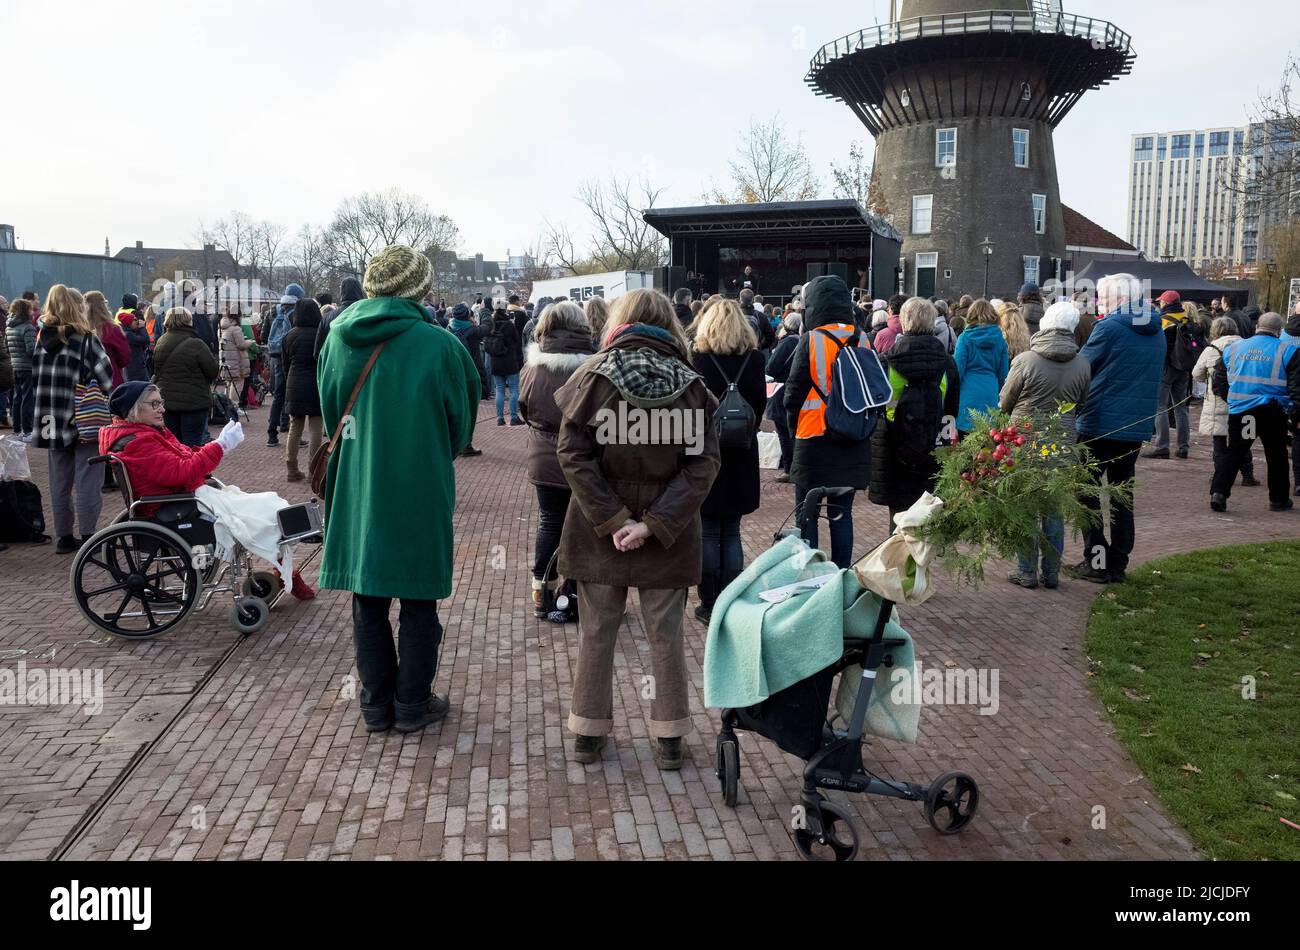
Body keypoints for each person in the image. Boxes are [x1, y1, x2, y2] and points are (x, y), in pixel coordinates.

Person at [553, 289, 721, 770]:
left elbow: (574, 455)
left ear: (619, 321)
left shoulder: (592, 378)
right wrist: (652, 524)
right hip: (667, 535)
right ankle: (669, 737)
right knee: (666, 637)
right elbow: (703, 466)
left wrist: (614, 519)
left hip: (598, 531)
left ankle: (588, 731)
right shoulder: (690, 384)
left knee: (597, 633)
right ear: (669, 322)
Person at [318, 244, 480, 735]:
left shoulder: (338, 340)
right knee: (419, 597)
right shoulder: (441, 345)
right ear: (420, 290)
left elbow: (331, 414)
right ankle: (412, 702)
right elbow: (462, 424)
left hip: (358, 483)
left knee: (367, 596)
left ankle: (375, 705)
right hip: (419, 483)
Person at [1069, 274, 1165, 585]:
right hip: (1136, 425)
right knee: (1122, 495)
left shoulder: (1109, 327)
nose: (1099, 303)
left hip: (1100, 423)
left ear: (1120, 299)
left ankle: (1096, 562)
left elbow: (1082, 368)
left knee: (1087, 494)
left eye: (1103, 297)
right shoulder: (1157, 329)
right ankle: (1118, 564)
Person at [784, 276, 879, 569]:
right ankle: (840, 575)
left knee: (807, 513)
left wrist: (792, 434)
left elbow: (792, 396)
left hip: (813, 438)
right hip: (852, 438)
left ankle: (812, 575)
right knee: (842, 515)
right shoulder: (863, 338)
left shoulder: (810, 339)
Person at [1001, 302, 1093, 590]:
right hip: (1061, 443)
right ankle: (1051, 572)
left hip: (1024, 442)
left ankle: (1026, 571)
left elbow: (1005, 402)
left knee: (1026, 507)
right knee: (1053, 509)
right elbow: (1082, 402)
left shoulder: (1026, 361)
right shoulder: (1082, 363)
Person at [518, 302, 596, 618]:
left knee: (550, 522)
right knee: (585, 528)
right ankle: (575, 594)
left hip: (544, 457)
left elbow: (524, 409)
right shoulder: (593, 367)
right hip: (585, 459)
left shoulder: (532, 369)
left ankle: (543, 593)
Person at [692, 298, 767, 622]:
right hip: (742, 452)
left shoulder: (697, 360)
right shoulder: (755, 360)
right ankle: (730, 598)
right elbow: (760, 407)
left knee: (708, 530)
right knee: (732, 530)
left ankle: (709, 601)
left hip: (705, 452)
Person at [32, 285, 114, 554]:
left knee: (59, 481)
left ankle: (64, 536)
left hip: (50, 417)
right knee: (88, 479)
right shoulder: (86, 339)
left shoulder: (41, 340)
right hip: (83, 416)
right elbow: (106, 378)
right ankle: (89, 535)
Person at [869, 297, 961, 527]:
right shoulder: (947, 363)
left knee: (898, 518)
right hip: (933, 446)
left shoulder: (887, 362)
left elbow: (879, 407)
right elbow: (951, 409)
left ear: (903, 321)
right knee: (930, 515)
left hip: (895, 447)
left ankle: (898, 559)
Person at [1210, 313, 1300, 513]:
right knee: (1276, 454)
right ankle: (1278, 499)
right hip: (1272, 411)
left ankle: (1219, 493)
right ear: (1279, 330)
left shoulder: (1233, 348)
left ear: (1257, 327)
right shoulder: (1289, 350)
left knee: (1235, 450)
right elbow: (1296, 388)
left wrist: (1232, 399)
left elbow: (1219, 380)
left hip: (1243, 411)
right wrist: (1296, 414)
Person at [1194, 317, 1259, 495]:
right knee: (1245, 440)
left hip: (1217, 402)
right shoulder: (1247, 345)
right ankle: (1248, 475)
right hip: (1245, 401)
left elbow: (1196, 373)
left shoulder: (1211, 349)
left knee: (1219, 441)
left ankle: (1219, 476)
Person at [152, 307, 220, 448]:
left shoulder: (161, 342)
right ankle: (192, 470)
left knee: (173, 444)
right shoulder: (196, 344)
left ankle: (177, 470)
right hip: (194, 402)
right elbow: (213, 371)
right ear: (188, 321)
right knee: (192, 444)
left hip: (168, 401)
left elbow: (155, 369)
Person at [1146, 291, 1195, 460]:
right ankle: (1183, 447)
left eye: (1161, 302)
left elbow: (1157, 345)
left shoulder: (1162, 320)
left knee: (1160, 407)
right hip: (1183, 368)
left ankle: (1162, 446)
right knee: (1180, 408)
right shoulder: (1187, 317)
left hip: (1166, 367)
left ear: (1165, 303)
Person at [281, 298, 324, 483]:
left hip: (294, 383)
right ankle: (314, 471)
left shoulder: (289, 335)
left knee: (294, 428)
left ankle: (291, 468)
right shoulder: (321, 334)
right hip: (315, 384)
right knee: (316, 428)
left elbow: (285, 365)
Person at [953, 299, 1010, 438]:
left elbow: (957, 371)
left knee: (964, 440)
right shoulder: (1001, 340)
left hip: (968, 392)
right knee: (987, 444)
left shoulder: (964, 338)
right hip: (990, 391)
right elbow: (1003, 374)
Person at [265, 283, 305, 446]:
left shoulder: (275, 310)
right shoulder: (295, 313)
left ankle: (272, 434)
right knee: (292, 394)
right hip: (287, 356)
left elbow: (265, 332)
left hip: (274, 354)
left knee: (278, 395)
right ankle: (294, 435)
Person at [447, 302, 489, 456]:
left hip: (453, 375)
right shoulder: (472, 331)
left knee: (456, 410)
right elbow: (487, 327)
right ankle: (466, 445)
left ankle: (457, 443)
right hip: (470, 376)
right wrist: (485, 309)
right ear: (468, 316)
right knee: (470, 411)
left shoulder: (448, 329)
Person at [766, 313, 802, 483]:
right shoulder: (803, 341)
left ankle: (789, 469)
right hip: (798, 390)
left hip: (781, 389)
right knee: (794, 431)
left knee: (783, 431)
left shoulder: (787, 342)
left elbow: (771, 368)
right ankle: (796, 466)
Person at [486, 300, 525, 426]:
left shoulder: (491, 325)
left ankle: (500, 418)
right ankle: (514, 417)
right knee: (514, 389)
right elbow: (517, 341)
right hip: (510, 362)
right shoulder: (509, 325)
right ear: (505, 310)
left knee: (499, 390)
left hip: (496, 362)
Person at [85, 292, 131, 390]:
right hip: (111, 379)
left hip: (87, 383)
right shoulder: (111, 329)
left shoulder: (82, 329)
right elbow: (125, 356)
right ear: (104, 306)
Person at [6, 298, 37, 440]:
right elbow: (31, 350)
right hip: (27, 367)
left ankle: (17, 429)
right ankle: (28, 430)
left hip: (14, 366)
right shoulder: (28, 327)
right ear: (26, 311)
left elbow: (7, 348)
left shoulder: (9, 326)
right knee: (27, 399)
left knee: (16, 398)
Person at [315, 277, 365, 361]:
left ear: (342, 293)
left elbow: (318, 352)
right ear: (359, 292)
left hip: (334, 366)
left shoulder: (327, 317)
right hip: (363, 366)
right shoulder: (367, 314)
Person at [219, 311, 253, 409]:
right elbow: (241, 345)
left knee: (229, 383)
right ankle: (234, 407)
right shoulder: (236, 329)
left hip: (226, 359)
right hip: (236, 361)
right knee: (237, 384)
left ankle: (227, 407)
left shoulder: (223, 328)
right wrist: (250, 342)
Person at [121, 302, 152, 383]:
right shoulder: (128, 335)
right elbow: (145, 340)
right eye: (134, 320)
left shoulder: (129, 333)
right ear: (129, 323)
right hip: (135, 370)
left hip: (135, 369)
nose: (137, 321)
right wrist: (142, 328)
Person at [0, 299, 11, 430]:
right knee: (3, 390)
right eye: (4, 303)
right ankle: (2, 417)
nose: (7, 305)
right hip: (3, 360)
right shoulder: (2, 317)